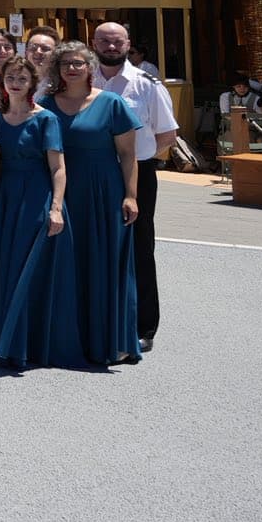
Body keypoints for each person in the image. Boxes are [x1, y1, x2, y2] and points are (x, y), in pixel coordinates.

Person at [45, 41, 143, 366]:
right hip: (62, 194)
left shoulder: (112, 103)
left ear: (89, 67)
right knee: (68, 267)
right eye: (65, 64)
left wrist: (130, 196)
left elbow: (129, 155)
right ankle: (69, 339)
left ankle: (113, 341)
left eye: (78, 63)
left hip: (103, 193)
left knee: (106, 265)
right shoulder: (45, 105)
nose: (71, 69)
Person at [0, 56, 81, 370]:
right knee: (1, 269)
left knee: (28, 270)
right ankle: (3, 339)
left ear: (32, 84)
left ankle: (27, 343)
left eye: (23, 79)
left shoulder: (45, 119)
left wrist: (56, 209)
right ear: (2, 81)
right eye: (11, 77)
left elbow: (59, 169)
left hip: (36, 199)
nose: (16, 83)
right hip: (5, 199)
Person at [92, 21, 176, 351]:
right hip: (93, 174)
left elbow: (167, 134)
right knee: (97, 244)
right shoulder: (84, 79)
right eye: (105, 41)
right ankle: (100, 319)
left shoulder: (147, 84)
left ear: (128, 44)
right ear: (93, 43)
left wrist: (137, 159)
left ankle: (144, 326)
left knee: (139, 248)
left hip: (138, 174)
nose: (111, 47)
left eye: (117, 42)